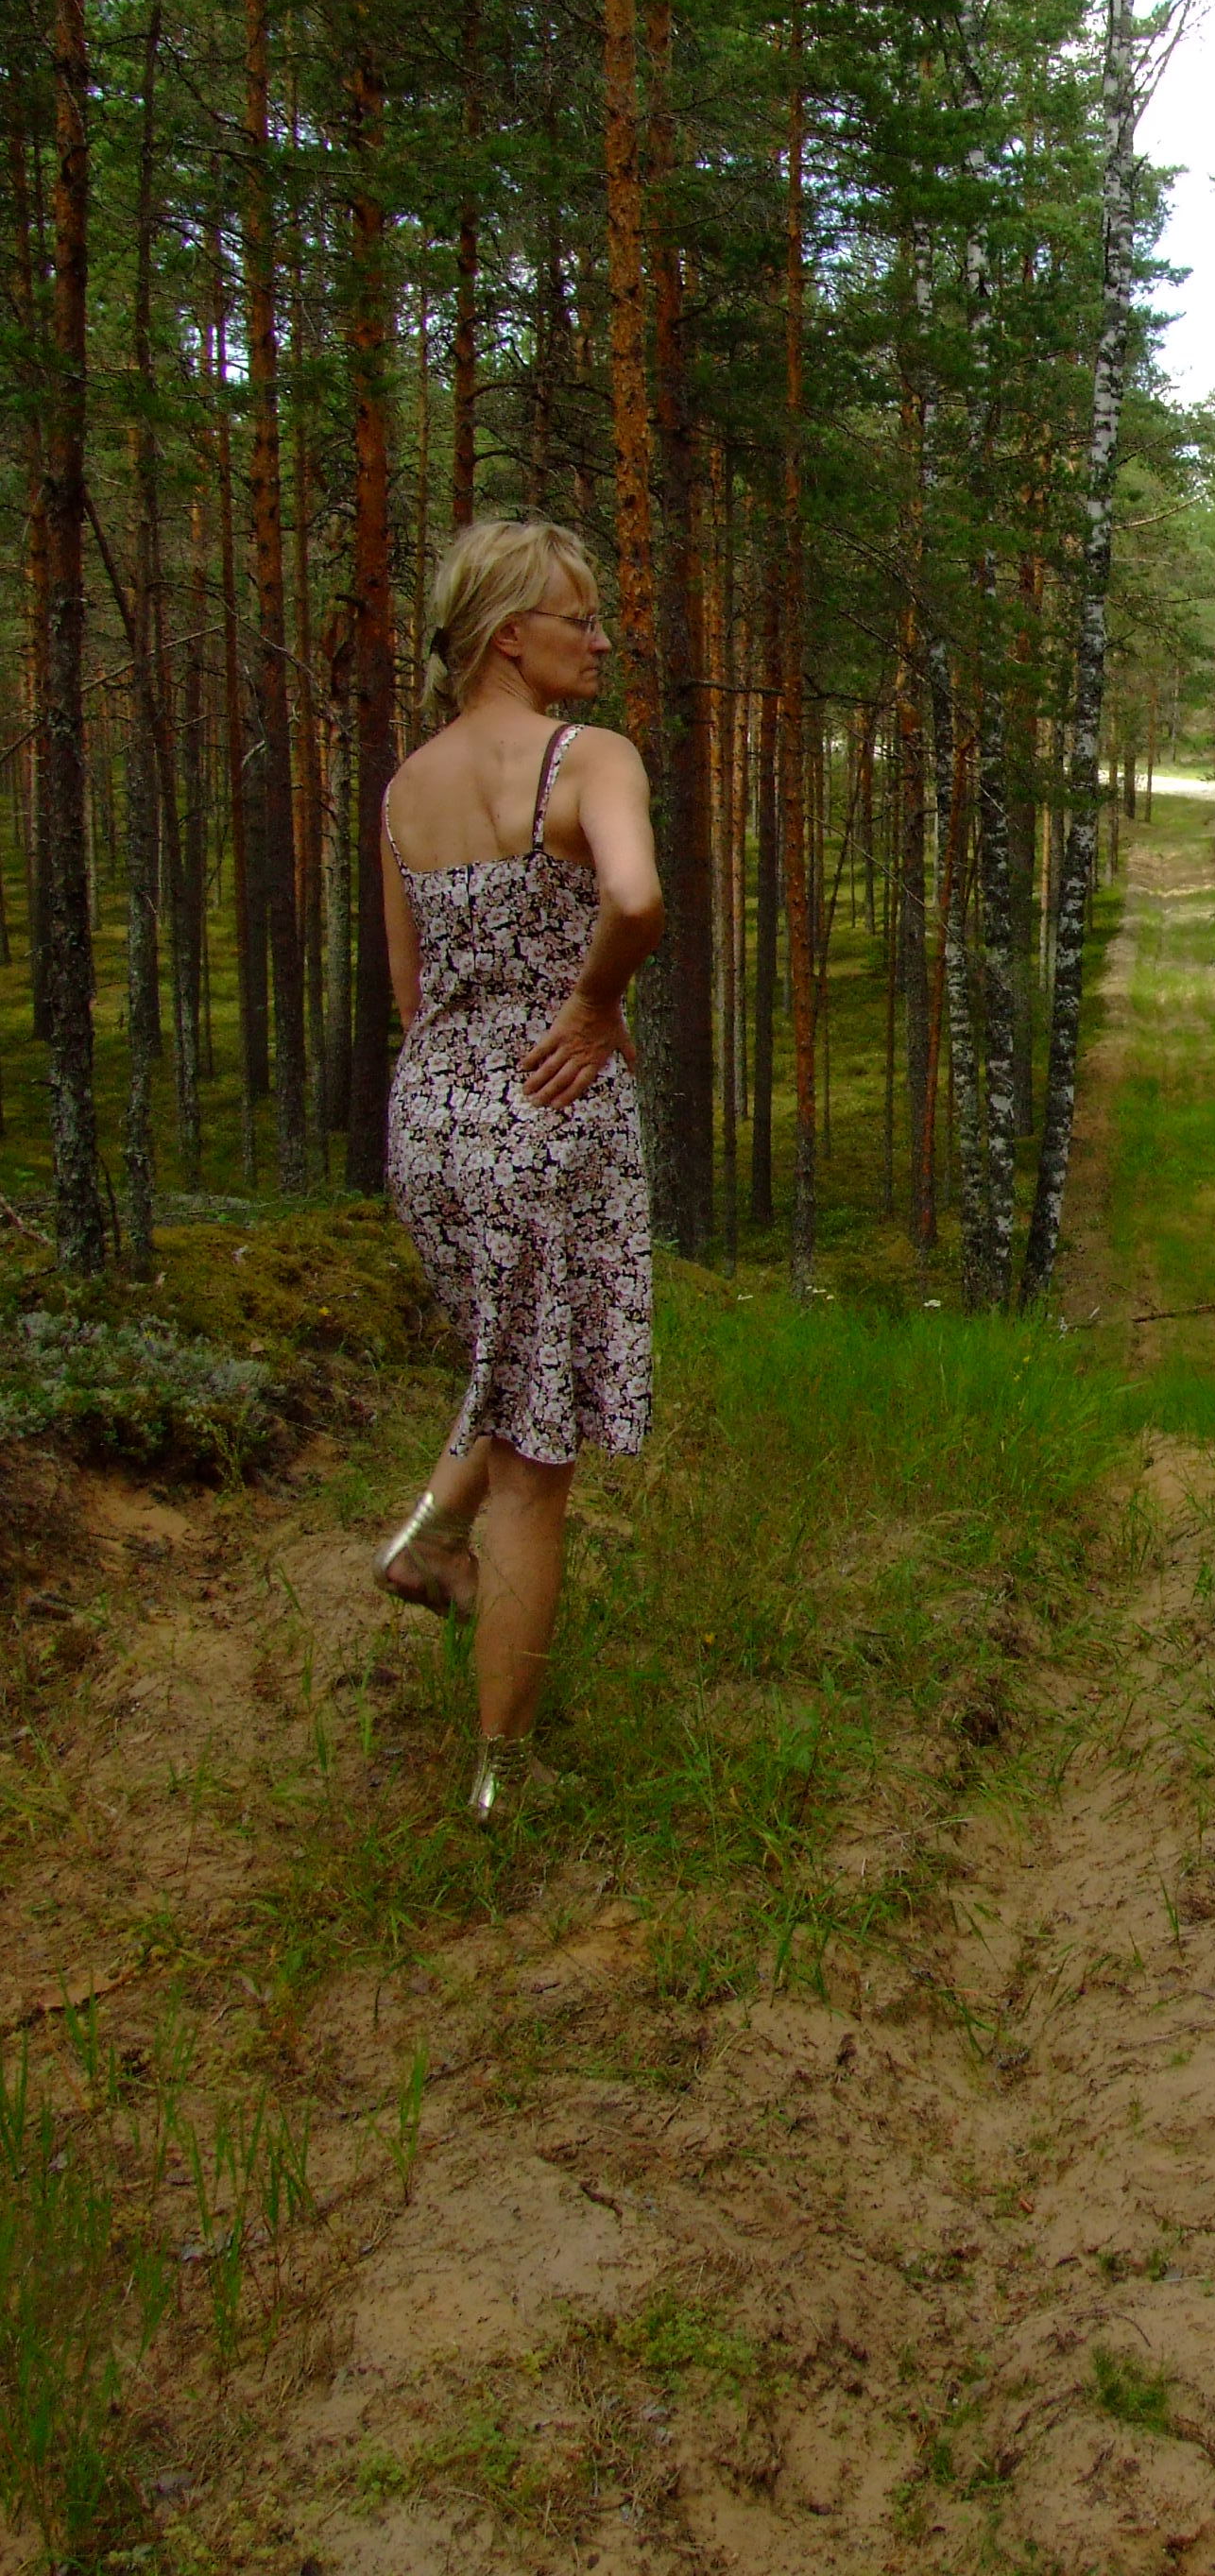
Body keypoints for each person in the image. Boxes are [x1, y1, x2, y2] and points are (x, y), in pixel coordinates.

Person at [369, 518, 663, 1824]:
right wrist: (593, 1002)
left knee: (515, 1367)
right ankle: (503, 1777)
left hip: (435, 1121)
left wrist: (471, 1067)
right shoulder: (587, 757)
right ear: (507, 636)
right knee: (539, 1462)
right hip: (551, 1116)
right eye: (577, 619)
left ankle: (429, 1537)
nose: (599, 641)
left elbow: (411, 992)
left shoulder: (404, 791)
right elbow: (636, 900)